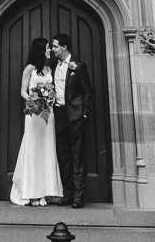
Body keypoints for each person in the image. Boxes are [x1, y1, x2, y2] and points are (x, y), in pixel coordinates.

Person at [9, 36, 63, 206]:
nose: (49, 50)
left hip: (48, 114)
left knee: (46, 150)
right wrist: (36, 101)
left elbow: (52, 90)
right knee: (32, 149)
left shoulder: (50, 70)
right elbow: (22, 91)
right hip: (34, 113)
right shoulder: (29, 69)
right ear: (40, 49)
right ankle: (31, 192)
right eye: (47, 47)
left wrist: (49, 100)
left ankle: (44, 192)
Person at [50, 32, 93, 208]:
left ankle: (78, 196)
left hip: (75, 116)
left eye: (55, 46)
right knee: (63, 156)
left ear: (64, 47)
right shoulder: (54, 66)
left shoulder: (78, 66)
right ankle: (67, 194)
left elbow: (87, 91)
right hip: (59, 115)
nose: (53, 49)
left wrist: (84, 114)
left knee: (77, 156)